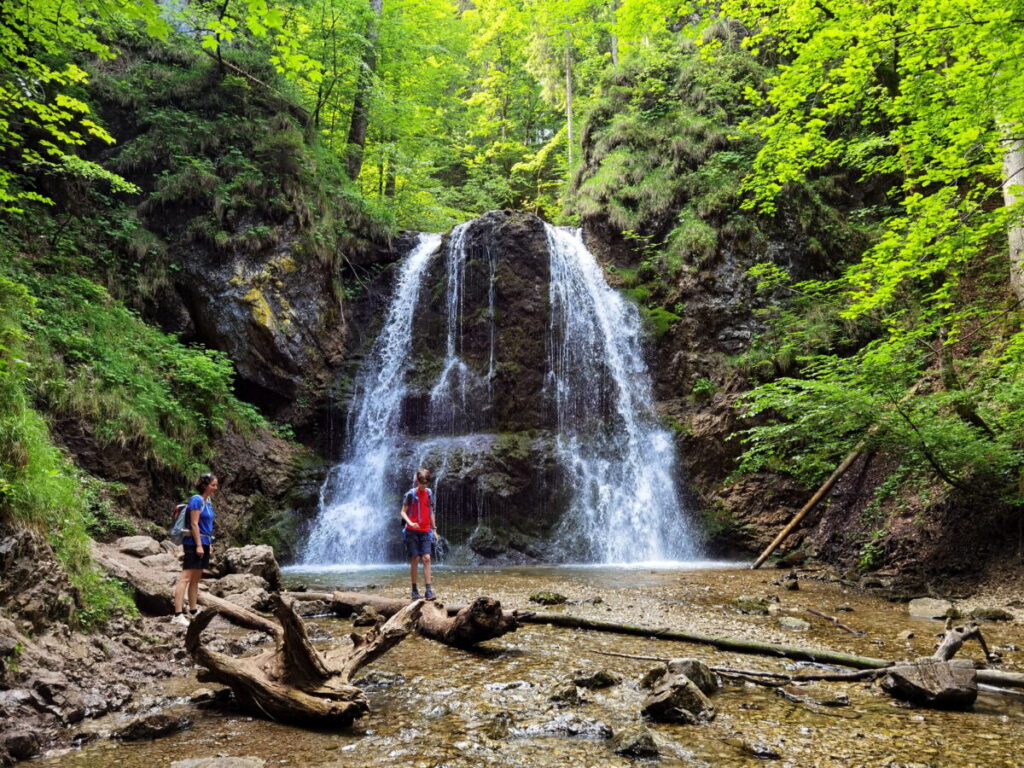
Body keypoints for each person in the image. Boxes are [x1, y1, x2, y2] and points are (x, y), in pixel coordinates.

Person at [171, 472, 218, 626]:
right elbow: (194, 524)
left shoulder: (208, 501)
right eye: (213, 485)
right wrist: (198, 544)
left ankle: (193, 610)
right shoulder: (196, 500)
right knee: (185, 577)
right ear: (205, 485)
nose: (215, 488)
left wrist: (208, 543)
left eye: (216, 485)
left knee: (196, 579)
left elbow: (207, 526)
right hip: (193, 543)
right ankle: (177, 615)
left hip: (204, 541)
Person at [400, 468, 436, 600]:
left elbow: (431, 511)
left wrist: (434, 528)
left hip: (426, 530)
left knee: (426, 558)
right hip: (412, 531)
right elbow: (403, 512)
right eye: (421, 484)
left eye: (426, 484)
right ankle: (414, 590)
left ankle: (428, 590)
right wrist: (410, 522)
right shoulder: (410, 494)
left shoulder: (429, 493)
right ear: (417, 481)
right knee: (415, 558)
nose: (423, 486)